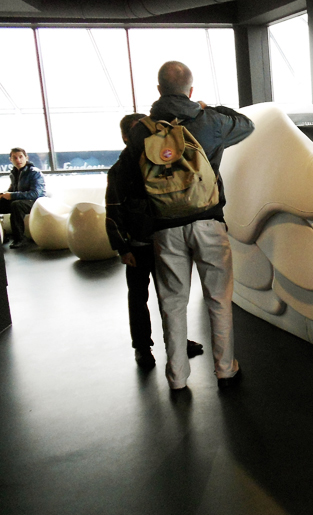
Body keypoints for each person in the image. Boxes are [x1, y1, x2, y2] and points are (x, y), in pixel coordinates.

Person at [117, 61, 254, 391]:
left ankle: (177, 377)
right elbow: (247, 124)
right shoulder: (209, 121)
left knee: (173, 304)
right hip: (208, 222)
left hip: (164, 228)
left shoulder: (141, 131)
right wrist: (206, 107)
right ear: (191, 90)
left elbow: (128, 184)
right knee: (218, 300)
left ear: (158, 89)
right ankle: (225, 371)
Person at [105, 113, 204, 369]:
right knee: (139, 298)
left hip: (166, 241)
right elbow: (113, 209)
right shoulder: (120, 170)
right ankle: (142, 347)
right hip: (138, 245)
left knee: (171, 296)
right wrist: (122, 247)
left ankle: (177, 340)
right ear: (125, 137)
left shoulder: (161, 161)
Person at [1, 148, 46, 248]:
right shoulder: (14, 173)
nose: (18, 160)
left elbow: (35, 194)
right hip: (21, 200)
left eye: (21, 157)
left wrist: (12, 195)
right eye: (15, 158)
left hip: (36, 202)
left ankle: (19, 239)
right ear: (10, 160)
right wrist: (3, 194)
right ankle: (2, 233)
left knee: (16, 205)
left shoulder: (34, 172)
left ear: (26, 158)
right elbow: (13, 189)